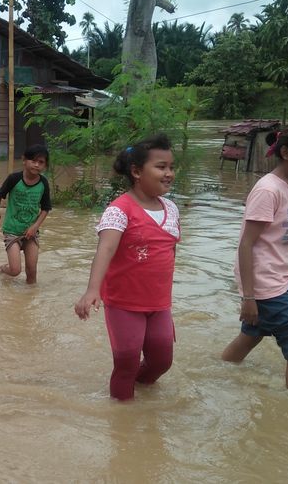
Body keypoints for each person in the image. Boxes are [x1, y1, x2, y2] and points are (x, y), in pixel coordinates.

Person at [74, 134, 181, 401]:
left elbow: (170, 250)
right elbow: (106, 249)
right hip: (124, 304)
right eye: (160, 167)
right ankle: (123, 419)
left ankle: (141, 395)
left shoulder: (171, 208)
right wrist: (92, 290)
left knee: (162, 361)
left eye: (171, 166)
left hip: (159, 304)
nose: (168, 173)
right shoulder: (119, 210)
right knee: (126, 361)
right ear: (136, 172)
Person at [221, 119, 288, 388]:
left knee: (251, 336)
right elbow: (246, 244)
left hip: (279, 281)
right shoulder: (268, 190)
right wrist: (249, 297)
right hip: (265, 287)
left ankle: (218, 375)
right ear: (286, 153)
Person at [0, 144, 52, 284]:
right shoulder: (14, 179)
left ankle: (28, 300)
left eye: (41, 162)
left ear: (45, 165)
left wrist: (35, 226)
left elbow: (46, 208)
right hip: (12, 231)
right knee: (15, 270)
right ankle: (2, 267)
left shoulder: (43, 183)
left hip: (31, 232)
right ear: (24, 160)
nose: (36, 165)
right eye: (33, 160)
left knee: (32, 272)